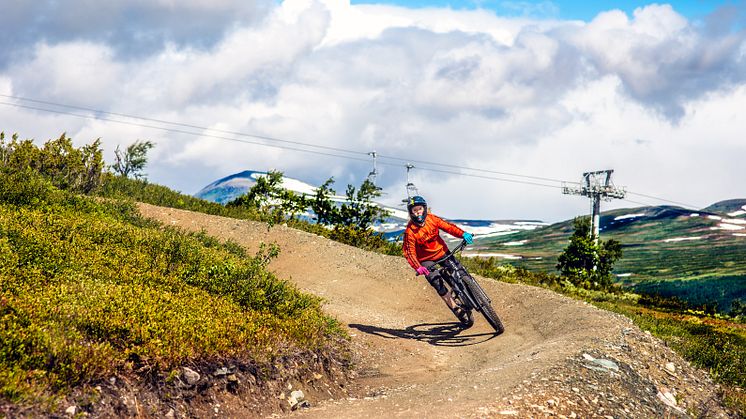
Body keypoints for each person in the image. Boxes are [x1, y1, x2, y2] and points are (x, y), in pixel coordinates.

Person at [402, 195, 475, 326]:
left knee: (460, 272)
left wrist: (463, 234)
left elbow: (448, 227)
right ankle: (456, 308)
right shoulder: (410, 232)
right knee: (437, 283)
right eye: (414, 210)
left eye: (419, 209)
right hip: (425, 261)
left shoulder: (432, 219)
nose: (418, 212)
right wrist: (417, 266)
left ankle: (472, 292)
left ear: (424, 209)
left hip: (442, 252)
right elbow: (409, 252)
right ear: (411, 213)